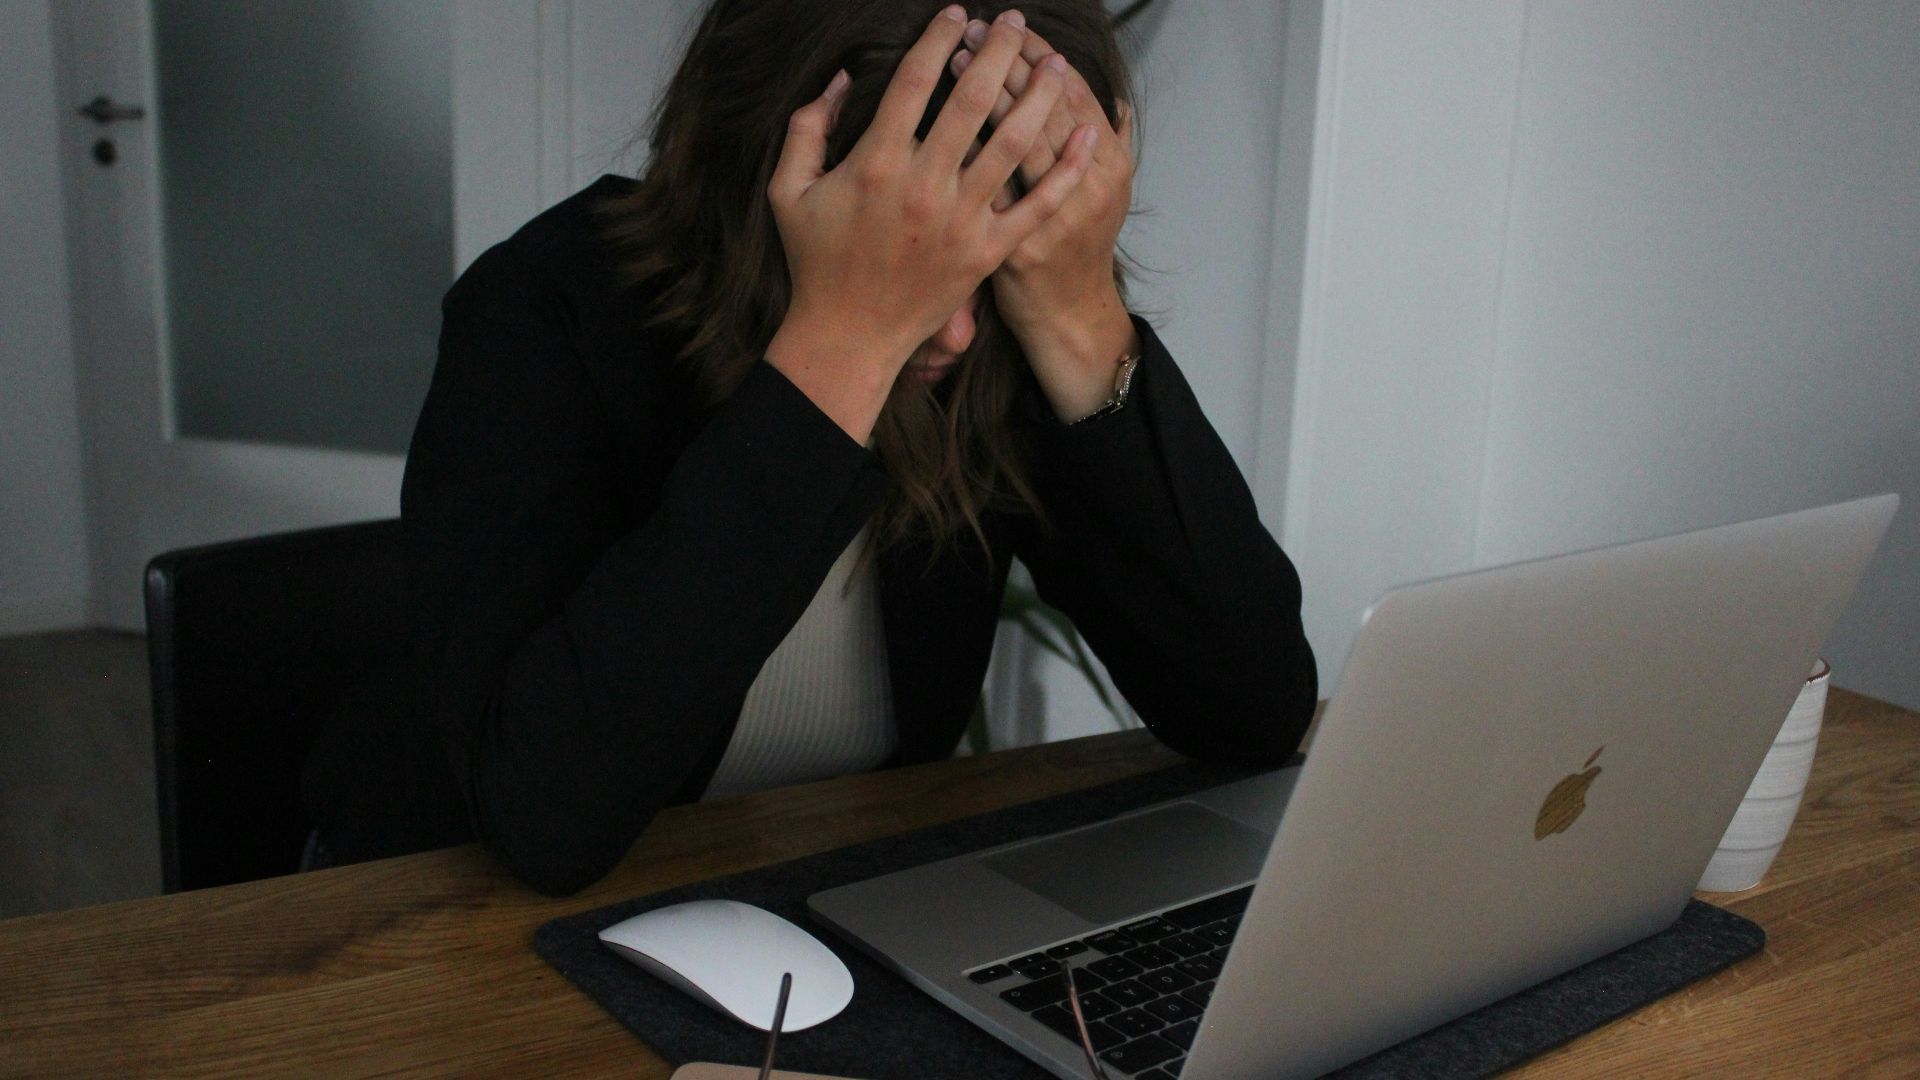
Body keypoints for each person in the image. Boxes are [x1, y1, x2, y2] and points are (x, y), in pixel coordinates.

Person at [302, 0, 1316, 896]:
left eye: (993, 254)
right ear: (764, 179)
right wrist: (844, 348)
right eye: (909, 249)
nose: (954, 333)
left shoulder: (1006, 332)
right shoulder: (541, 311)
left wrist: (1082, 316)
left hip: (813, 903)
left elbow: (1252, 710)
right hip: (437, 928)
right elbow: (545, 816)